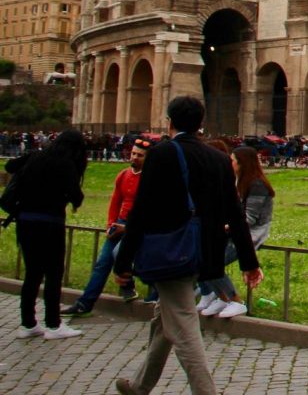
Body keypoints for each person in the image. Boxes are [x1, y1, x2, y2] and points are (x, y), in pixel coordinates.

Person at [113, 96, 263, 395]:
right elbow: (234, 212)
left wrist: (122, 262)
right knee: (163, 318)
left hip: (171, 251)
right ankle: (140, 385)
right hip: (204, 251)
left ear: (169, 121)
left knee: (182, 324)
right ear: (200, 123)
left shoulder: (163, 153)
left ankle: (205, 391)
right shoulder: (219, 158)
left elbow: (141, 210)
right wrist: (249, 261)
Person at [8, 129, 87, 340]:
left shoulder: (36, 156)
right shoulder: (66, 164)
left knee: (32, 273)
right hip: (50, 223)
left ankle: (28, 323)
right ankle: (53, 324)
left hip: (25, 221)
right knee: (53, 273)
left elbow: (10, 165)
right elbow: (76, 196)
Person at [63, 138, 151, 318]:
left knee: (118, 254)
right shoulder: (123, 175)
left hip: (136, 225)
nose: (134, 158)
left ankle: (128, 285)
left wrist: (127, 228)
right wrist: (110, 224)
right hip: (119, 222)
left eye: (140, 155)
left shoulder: (149, 178)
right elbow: (115, 201)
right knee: (102, 263)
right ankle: (85, 303)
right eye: (133, 154)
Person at [197, 145, 274, 319]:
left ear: (242, 163)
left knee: (214, 261)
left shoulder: (257, 184)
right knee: (204, 260)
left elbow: (250, 218)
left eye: (231, 160)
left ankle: (237, 301)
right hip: (234, 229)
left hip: (251, 232)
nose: (228, 163)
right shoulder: (236, 180)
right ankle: (222, 297)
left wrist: (224, 224)